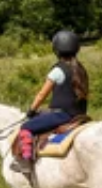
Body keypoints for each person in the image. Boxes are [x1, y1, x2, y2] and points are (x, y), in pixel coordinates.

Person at [16, 30, 89, 172]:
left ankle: (25, 162)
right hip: (79, 115)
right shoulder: (81, 70)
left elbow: (42, 94)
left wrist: (31, 110)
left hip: (63, 116)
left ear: (56, 50)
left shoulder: (58, 70)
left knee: (26, 127)